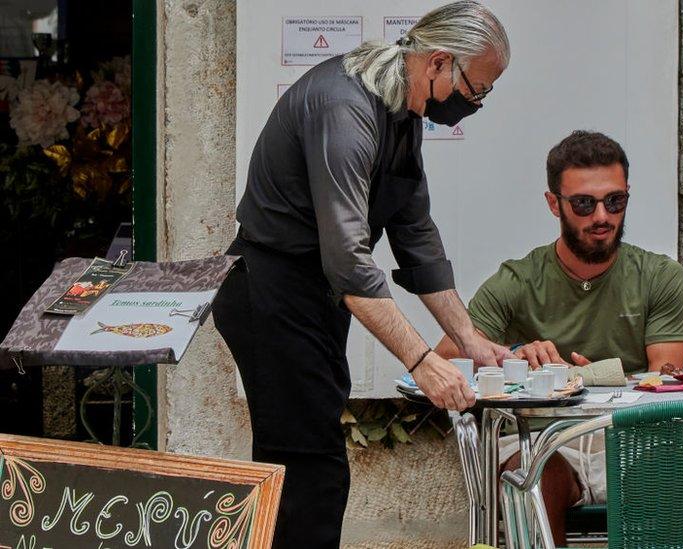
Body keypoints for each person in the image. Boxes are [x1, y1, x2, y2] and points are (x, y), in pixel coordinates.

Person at [211, 3, 512, 547]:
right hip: (270, 289)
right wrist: (422, 362)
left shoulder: (403, 112)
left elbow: (416, 234)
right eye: (476, 89)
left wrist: (470, 340)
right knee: (304, 465)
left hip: (316, 296)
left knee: (314, 460)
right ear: (439, 63)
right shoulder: (345, 108)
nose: (476, 103)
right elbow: (348, 260)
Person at [436, 130, 683, 544]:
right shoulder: (518, 280)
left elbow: (666, 377)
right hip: (541, 438)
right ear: (554, 203)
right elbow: (445, 362)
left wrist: (588, 379)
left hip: (630, 437)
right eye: (583, 204)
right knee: (535, 471)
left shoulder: (659, 275)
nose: (601, 217)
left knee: (681, 466)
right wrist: (516, 356)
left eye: (615, 201)